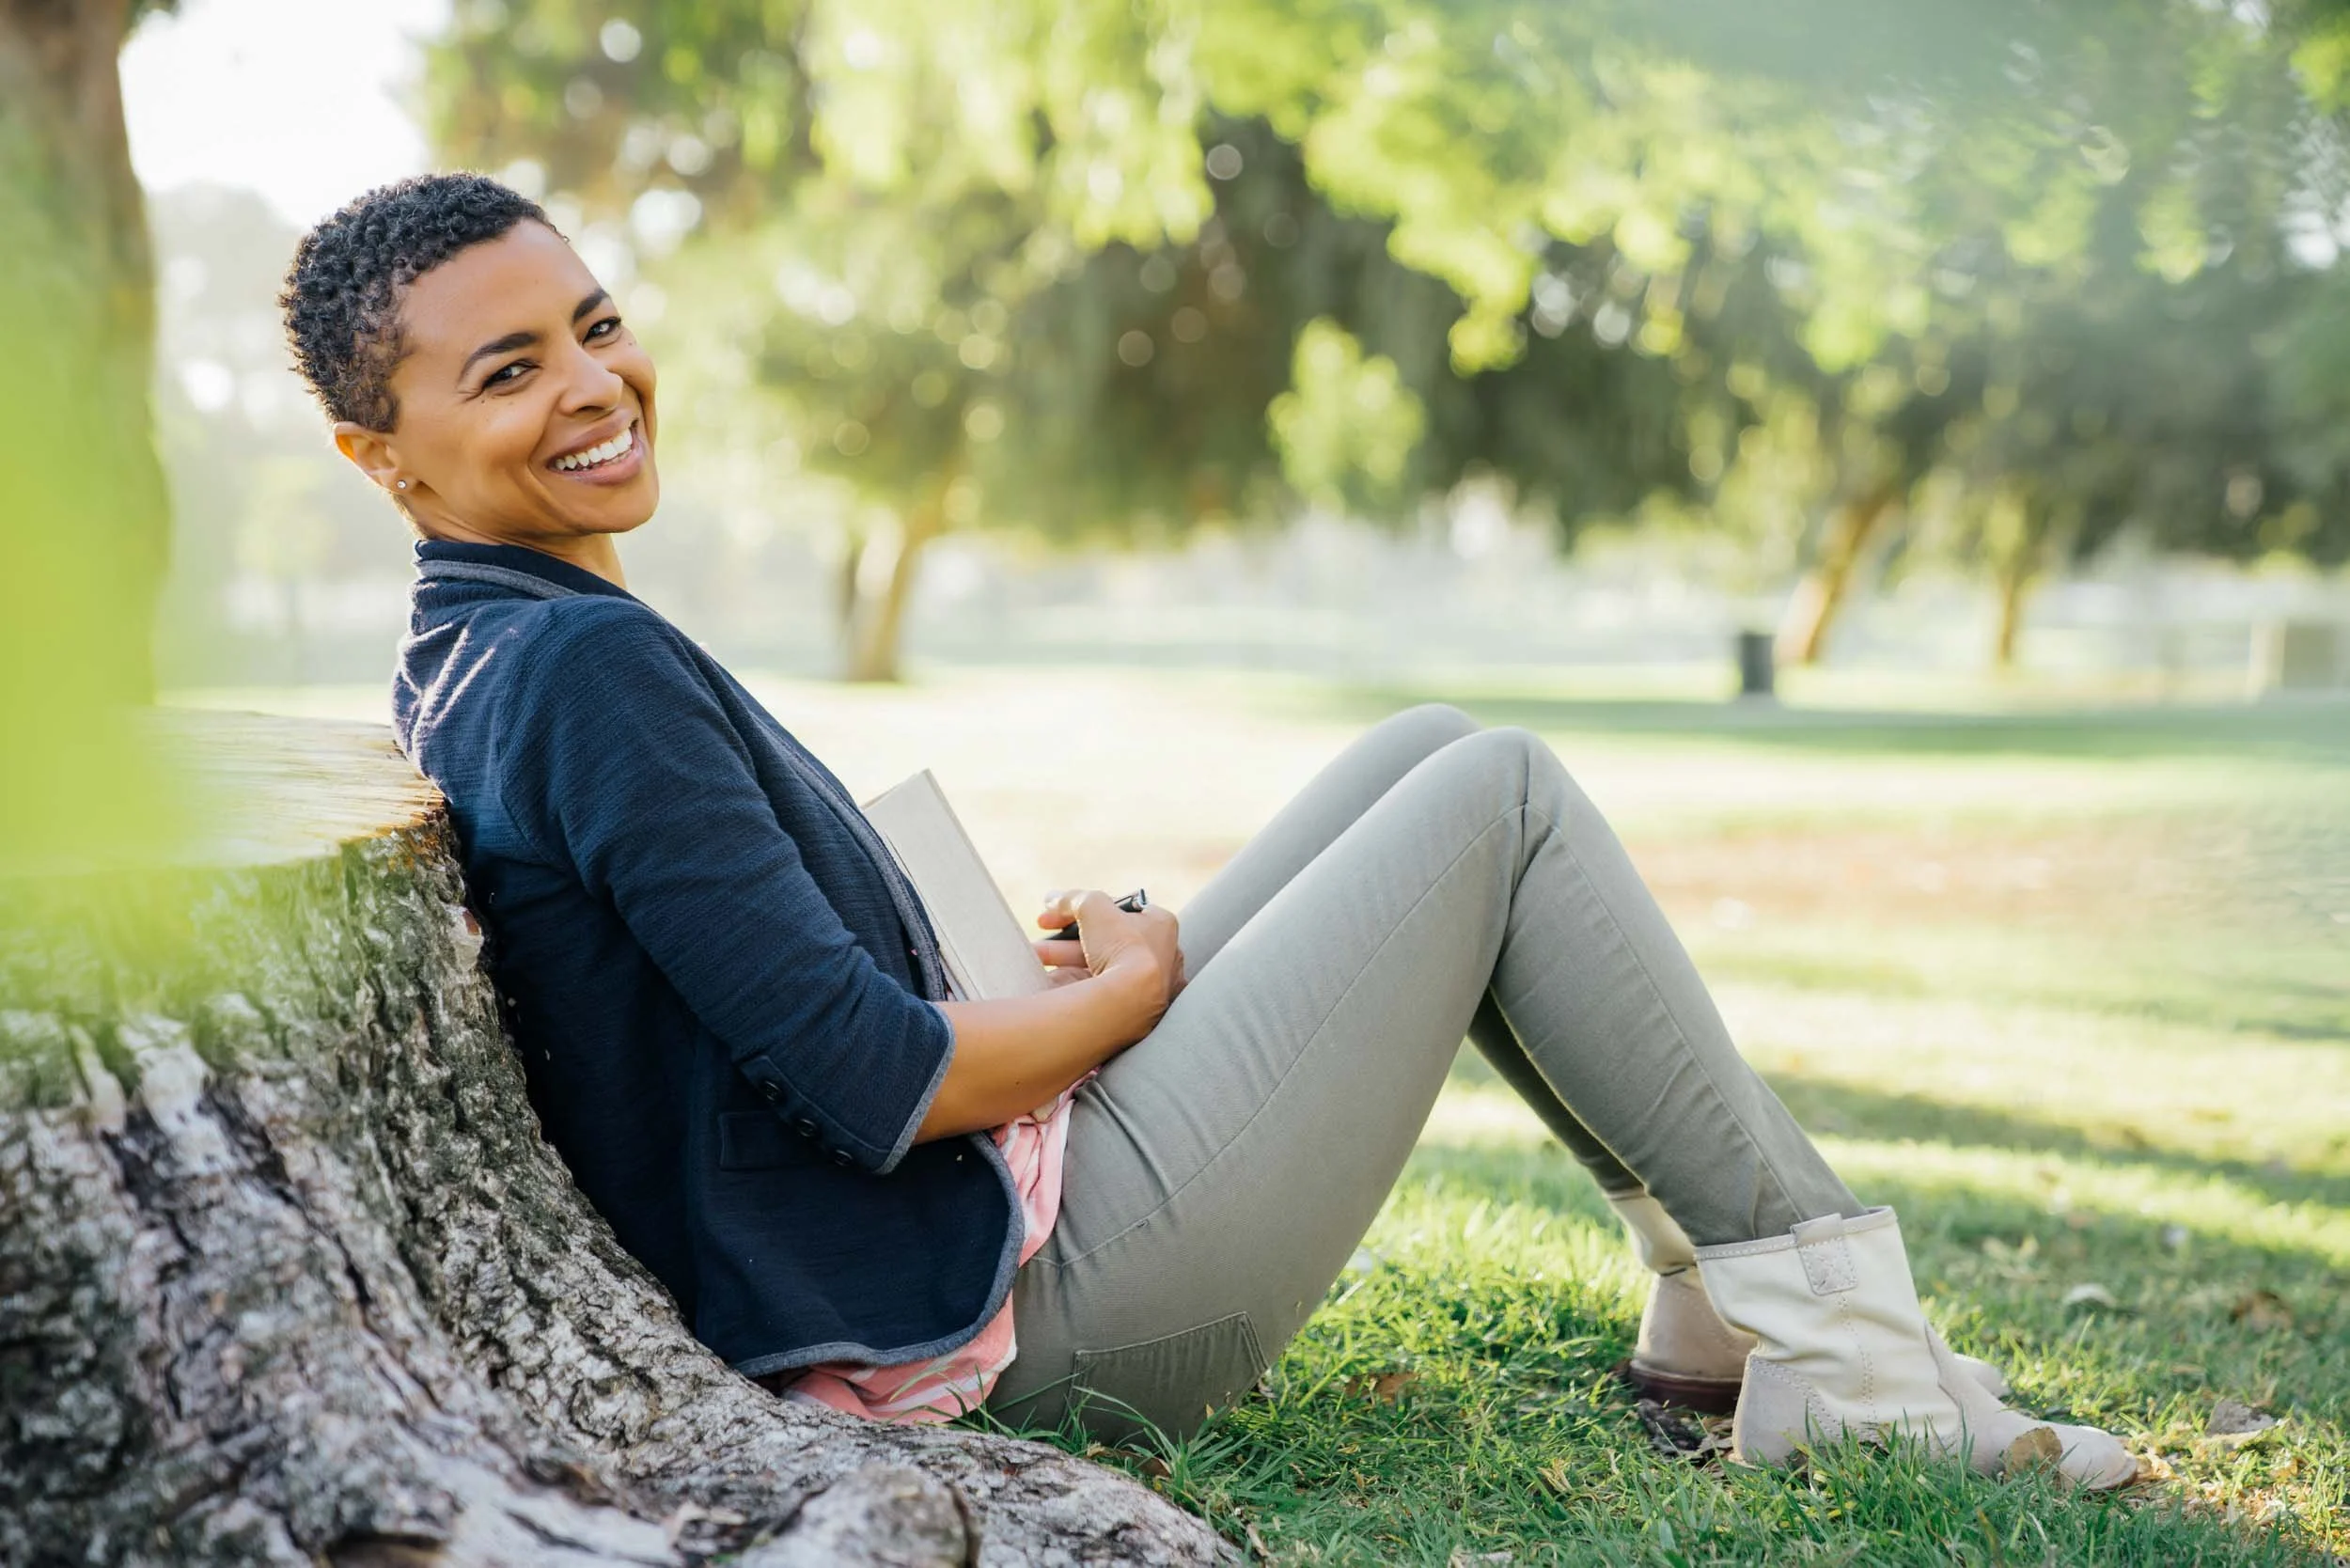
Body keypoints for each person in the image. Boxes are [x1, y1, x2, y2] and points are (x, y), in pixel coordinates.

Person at [280, 172, 2134, 1488]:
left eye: (593, 327)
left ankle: (1723, 1318)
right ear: (384, 454)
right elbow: (881, 1080)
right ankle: (1851, 1360)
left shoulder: (502, 642)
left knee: (1430, 744)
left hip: (974, 1217)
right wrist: (1137, 987)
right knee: (1498, 804)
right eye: (506, 370)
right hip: (1012, 1332)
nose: (594, 387)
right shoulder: (577, 676)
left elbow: (760, 1000)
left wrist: (1062, 974)